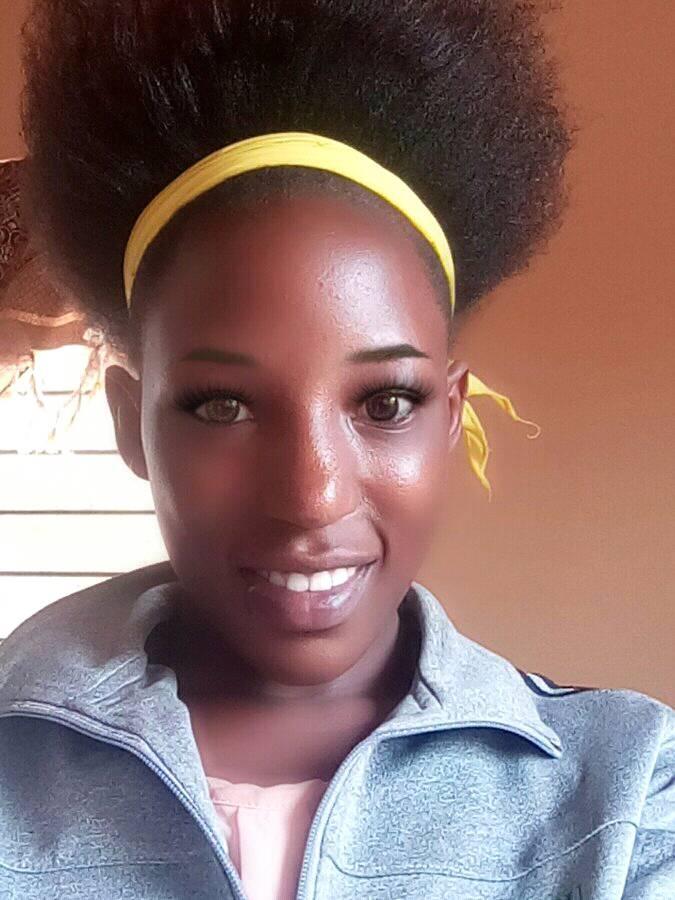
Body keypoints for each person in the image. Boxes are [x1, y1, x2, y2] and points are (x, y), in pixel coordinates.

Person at [0, 2, 671, 898]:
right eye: (223, 404)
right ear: (132, 426)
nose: (311, 496)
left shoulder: (628, 794)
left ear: (449, 415)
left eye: (385, 402)